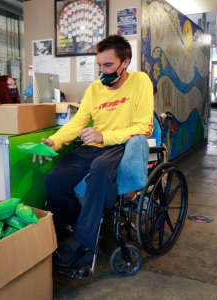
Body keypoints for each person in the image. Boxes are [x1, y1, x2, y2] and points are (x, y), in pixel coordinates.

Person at [35, 35, 154, 269]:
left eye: (108, 65)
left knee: (99, 169)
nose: (102, 71)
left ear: (125, 62)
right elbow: (78, 121)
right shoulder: (95, 89)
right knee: (55, 179)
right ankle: (69, 227)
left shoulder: (140, 82)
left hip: (123, 145)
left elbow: (144, 127)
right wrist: (54, 141)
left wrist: (104, 136)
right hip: (95, 146)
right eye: (99, 65)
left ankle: (83, 240)